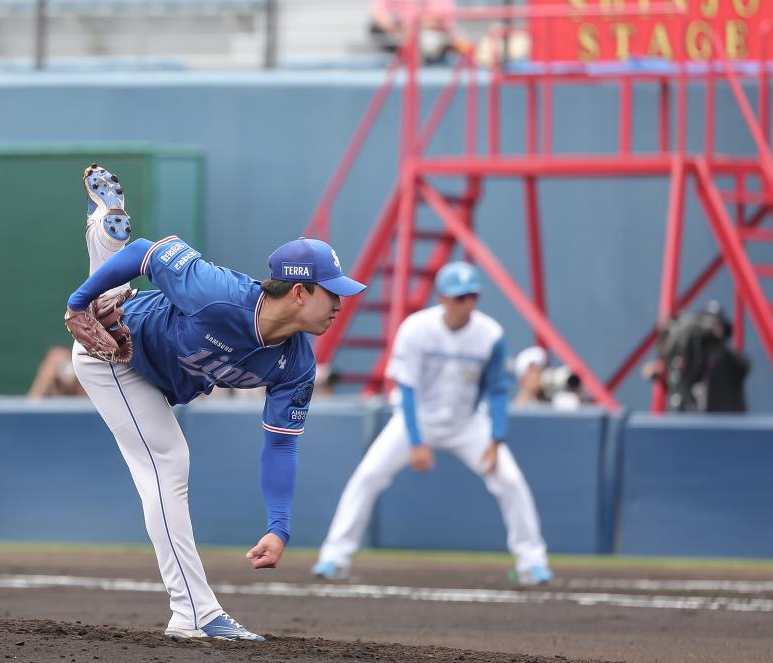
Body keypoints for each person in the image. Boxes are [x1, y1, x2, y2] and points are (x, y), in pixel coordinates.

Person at [63, 164, 367, 641]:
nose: (340, 304)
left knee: (115, 297)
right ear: (301, 290)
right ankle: (193, 613)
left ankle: (103, 232)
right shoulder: (220, 294)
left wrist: (279, 526)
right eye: (332, 293)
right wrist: (77, 305)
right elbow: (147, 251)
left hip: (147, 356)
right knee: (168, 463)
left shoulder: (297, 364)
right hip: (113, 358)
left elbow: (282, 444)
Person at [311, 261, 553, 586]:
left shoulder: (490, 334)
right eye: (459, 297)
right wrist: (415, 441)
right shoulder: (416, 328)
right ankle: (334, 557)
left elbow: (497, 391)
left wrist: (496, 439)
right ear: (442, 298)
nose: (466, 304)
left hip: (467, 424)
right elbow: (406, 388)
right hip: (415, 420)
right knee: (368, 476)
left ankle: (532, 562)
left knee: (510, 481)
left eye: (471, 296)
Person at [643, 300, 750, 413]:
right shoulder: (687, 352)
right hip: (696, 419)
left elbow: (744, 366)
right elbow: (659, 369)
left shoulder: (728, 361)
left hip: (725, 422)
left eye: (717, 325)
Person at [369, 0, 472, 65]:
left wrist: (415, 26)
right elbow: (380, 17)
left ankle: (422, 52)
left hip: (432, 35)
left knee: (435, 40)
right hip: (400, 35)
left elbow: (439, 20)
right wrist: (405, 29)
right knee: (375, 28)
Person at [513, 345, 582, 410]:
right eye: (533, 370)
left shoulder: (561, 399)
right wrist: (528, 391)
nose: (539, 375)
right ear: (523, 379)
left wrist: (574, 389)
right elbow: (516, 415)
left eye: (542, 368)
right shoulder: (525, 403)